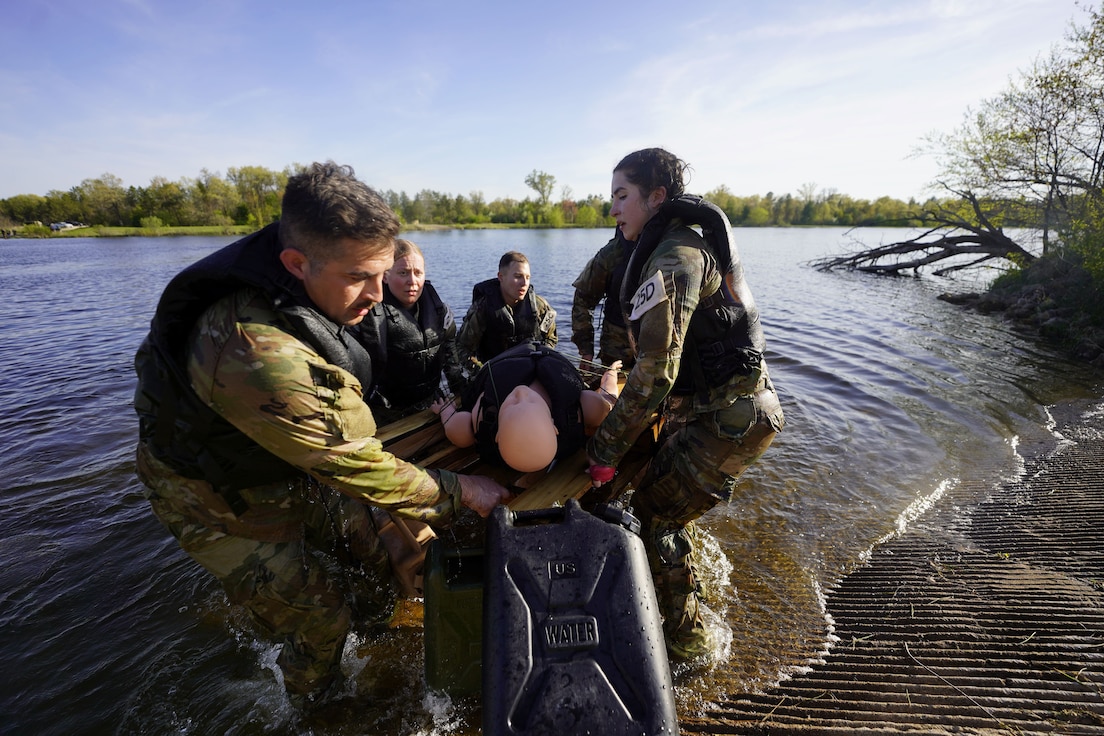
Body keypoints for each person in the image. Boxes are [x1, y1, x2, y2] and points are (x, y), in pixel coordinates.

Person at [132, 161, 510, 710]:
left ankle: (373, 646)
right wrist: (464, 491)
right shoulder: (254, 351)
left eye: (384, 273)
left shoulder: (322, 287)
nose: (380, 295)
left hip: (283, 457)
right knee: (319, 617)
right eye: (360, 277)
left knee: (376, 556)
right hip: (214, 494)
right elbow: (357, 463)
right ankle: (317, 709)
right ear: (296, 263)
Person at [585, 148, 785, 662]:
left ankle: (690, 646)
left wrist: (604, 451)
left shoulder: (676, 256)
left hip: (731, 418)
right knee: (666, 500)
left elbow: (657, 369)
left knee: (653, 517)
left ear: (656, 198)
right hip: (716, 411)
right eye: (612, 197)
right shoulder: (665, 246)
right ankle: (680, 595)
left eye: (621, 196)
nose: (613, 210)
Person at [431, 341, 621, 473]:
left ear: (497, 435)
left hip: (506, 361)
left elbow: (453, 424)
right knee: (599, 410)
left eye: (514, 403)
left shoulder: (482, 418)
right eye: (531, 401)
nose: (521, 393)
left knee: (462, 435)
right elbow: (609, 401)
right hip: (547, 359)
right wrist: (610, 376)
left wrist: (444, 411)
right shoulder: (578, 409)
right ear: (554, 426)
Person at [354, 238, 465, 424]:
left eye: (418, 273)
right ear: (385, 275)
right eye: (403, 273)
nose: (412, 281)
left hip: (431, 403)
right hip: (387, 413)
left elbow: (451, 361)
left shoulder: (440, 311)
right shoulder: (368, 316)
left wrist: (465, 393)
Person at [455, 251, 557, 374]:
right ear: (501, 277)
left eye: (527, 277)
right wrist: (482, 372)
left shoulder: (540, 306)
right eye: (518, 276)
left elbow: (551, 338)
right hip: (494, 372)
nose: (524, 283)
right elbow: (462, 348)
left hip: (531, 369)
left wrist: (540, 360)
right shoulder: (482, 308)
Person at [571, 228, 636, 379]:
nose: (615, 212)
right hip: (617, 350)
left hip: (659, 351)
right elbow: (583, 300)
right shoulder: (611, 254)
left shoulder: (669, 247)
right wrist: (586, 349)